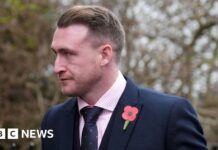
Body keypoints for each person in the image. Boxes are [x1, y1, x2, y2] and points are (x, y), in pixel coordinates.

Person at [41, 5, 207, 150]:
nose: (57, 67)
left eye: (68, 54)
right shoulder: (54, 120)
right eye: (56, 54)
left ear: (104, 55)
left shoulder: (169, 115)